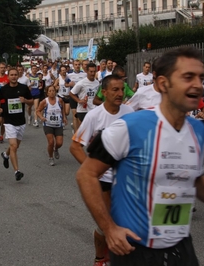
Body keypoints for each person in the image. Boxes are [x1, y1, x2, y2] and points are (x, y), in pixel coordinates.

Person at [75, 46, 204, 265]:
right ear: (164, 83)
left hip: (180, 246)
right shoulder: (128, 127)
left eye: (200, 77)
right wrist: (109, 229)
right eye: (187, 77)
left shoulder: (197, 130)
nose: (197, 84)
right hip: (135, 249)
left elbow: (194, 176)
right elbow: (86, 175)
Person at [70, 74, 134, 266]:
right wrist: (93, 171)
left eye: (122, 89)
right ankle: (100, 258)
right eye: (115, 90)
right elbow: (75, 146)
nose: (120, 93)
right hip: (104, 180)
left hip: (126, 179)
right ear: (103, 92)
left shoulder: (130, 113)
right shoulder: (94, 116)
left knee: (127, 221)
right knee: (106, 224)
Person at [0, 68, 33, 181]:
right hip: (8, 121)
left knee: (15, 146)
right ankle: (17, 171)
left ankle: (6, 155)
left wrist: (25, 101)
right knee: (14, 146)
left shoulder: (23, 88)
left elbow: (31, 101)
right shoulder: (4, 89)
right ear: (8, 76)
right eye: (11, 75)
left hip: (20, 121)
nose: (13, 76)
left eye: (15, 75)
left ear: (18, 76)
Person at [36, 85, 67, 166]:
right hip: (48, 124)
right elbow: (38, 111)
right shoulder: (44, 101)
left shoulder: (60, 100)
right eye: (50, 91)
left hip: (58, 124)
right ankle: (51, 157)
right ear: (47, 93)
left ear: (55, 92)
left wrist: (64, 118)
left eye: (53, 90)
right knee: (51, 142)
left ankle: (56, 149)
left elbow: (62, 110)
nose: (52, 92)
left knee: (59, 143)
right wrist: (41, 117)